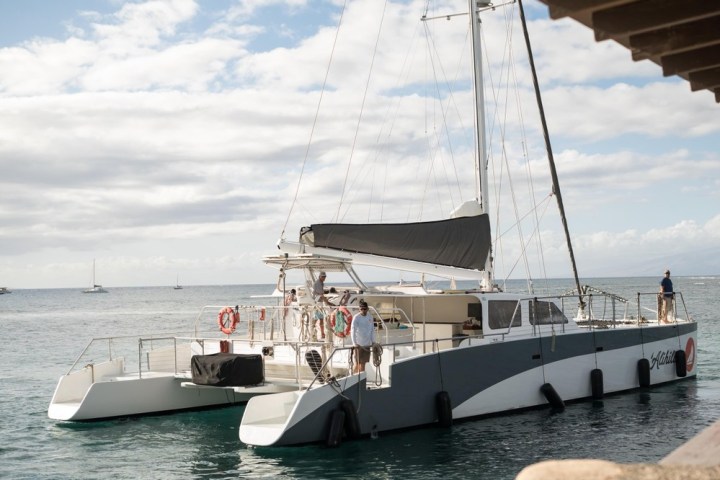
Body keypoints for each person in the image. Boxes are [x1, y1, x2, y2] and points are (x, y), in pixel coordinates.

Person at [350, 300, 375, 373]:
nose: (363, 310)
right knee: (357, 363)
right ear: (359, 309)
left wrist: (373, 341)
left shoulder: (370, 317)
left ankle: (361, 379)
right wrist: (354, 343)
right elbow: (353, 331)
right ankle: (353, 378)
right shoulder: (356, 317)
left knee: (363, 364)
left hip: (367, 344)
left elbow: (372, 330)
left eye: (365, 309)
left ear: (367, 309)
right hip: (359, 345)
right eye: (361, 309)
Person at [313, 272, 334, 338]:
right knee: (316, 319)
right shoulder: (318, 283)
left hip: (320, 302)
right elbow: (321, 296)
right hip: (317, 303)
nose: (324, 278)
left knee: (321, 319)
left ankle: (322, 334)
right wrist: (328, 303)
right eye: (323, 276)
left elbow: (321, 294)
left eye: (324, 277)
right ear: (320, 276)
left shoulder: (321, 283)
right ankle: (313, 333)